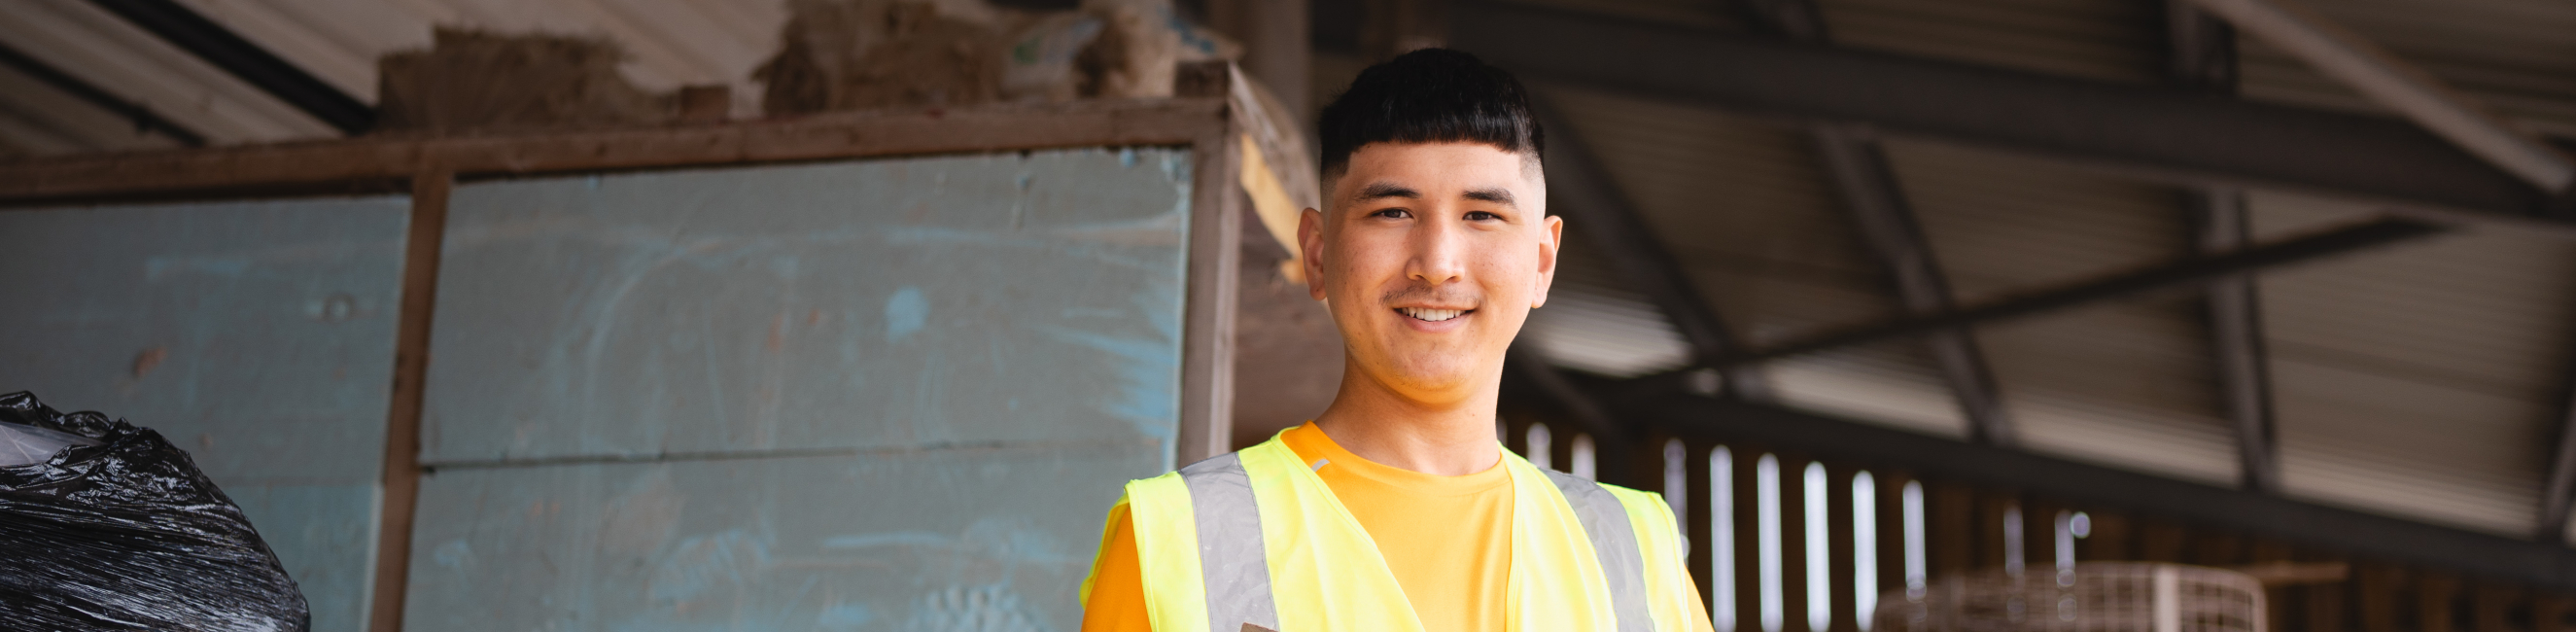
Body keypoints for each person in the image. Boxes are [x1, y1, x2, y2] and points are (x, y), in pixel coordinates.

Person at [1079, 49, 1716, 632]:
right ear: (1319, 254)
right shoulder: (1178, 539)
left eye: (1482, 215)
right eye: (1392, 212)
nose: (1436, 263)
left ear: (1542, 262)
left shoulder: (1635, 554)